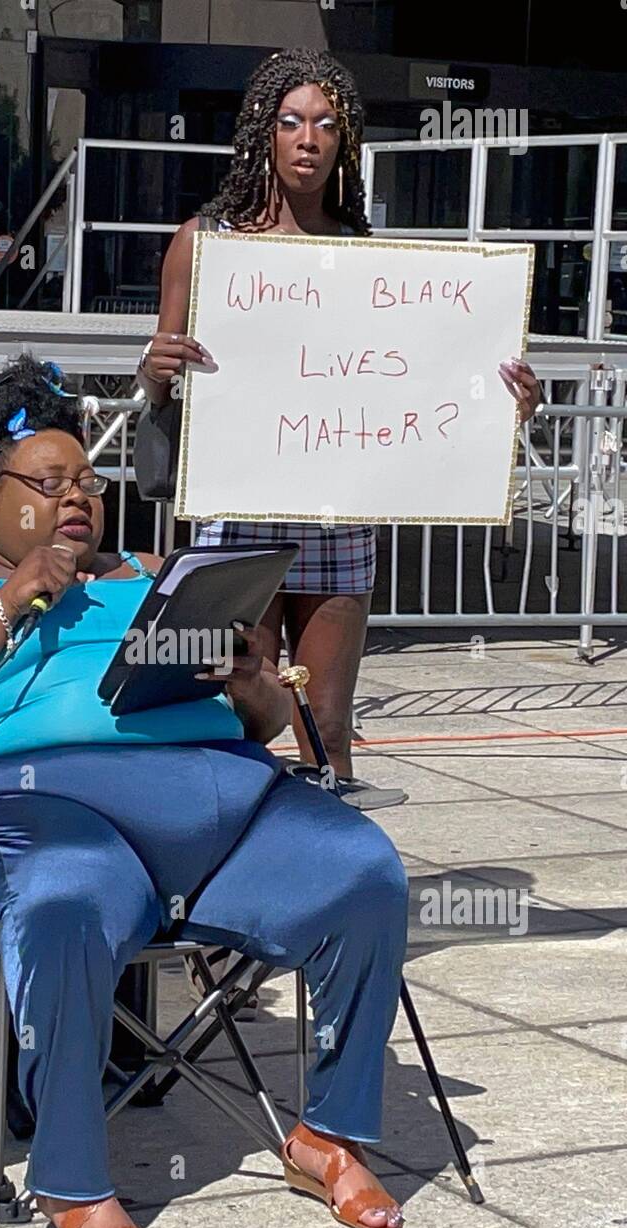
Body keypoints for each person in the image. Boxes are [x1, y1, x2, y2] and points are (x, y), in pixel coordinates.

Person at [0, 353, 411, 1228]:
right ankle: (72, 1180)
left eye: (89, 482)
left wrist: (247, 673)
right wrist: (9, 602)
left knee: (362, 870)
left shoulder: (153, 576)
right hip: (36, 813)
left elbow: (262, 723)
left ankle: (329, 1133)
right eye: (49, 482)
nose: (79, 497)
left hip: (219, 807)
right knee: (70, 888)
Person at [138, 46, 541, 804]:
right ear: (263, 131)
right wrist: (154, 373)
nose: (308, 139)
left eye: (326, 124)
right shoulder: (208, 243)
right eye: (291, 121)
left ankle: (334, 881)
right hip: (241, 514)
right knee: (238, 705)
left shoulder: (366, 255)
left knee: (325, 720)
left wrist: (506, 402)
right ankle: (229, 868)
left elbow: (429, 375)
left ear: (345, 142)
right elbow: (162, 383)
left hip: (338, 513)